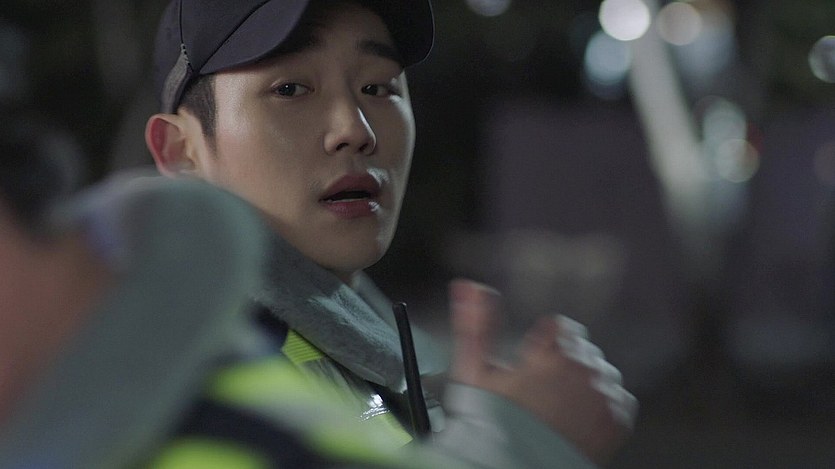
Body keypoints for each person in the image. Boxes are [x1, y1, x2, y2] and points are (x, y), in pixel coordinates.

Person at [144, 1, 637, 467]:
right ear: (181, 152)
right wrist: (517, 441)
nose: (355, 129)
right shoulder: (178, 374)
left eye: (377, 88)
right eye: (290, 89)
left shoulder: (372, 345)